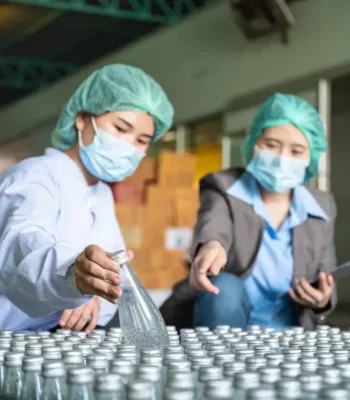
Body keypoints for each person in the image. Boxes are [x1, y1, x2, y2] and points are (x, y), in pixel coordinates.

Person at [0, 64, 173, 333]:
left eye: (142, 140)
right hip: (21, 335)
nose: (130, 146)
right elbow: (22, 246)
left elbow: (112, 276)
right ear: (82, 119)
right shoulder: (34, 175)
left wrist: (94, 289)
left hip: (75, 335)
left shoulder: (100, 192)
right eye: (120, 128)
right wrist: (73, 275)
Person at [168, 93, 336, 331]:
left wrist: (323, 299)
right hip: (227, 327)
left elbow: (326, 273)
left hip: (290, 333)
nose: (281, 159)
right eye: (271, 145)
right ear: (254, 142)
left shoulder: (322, 205)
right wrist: (211, 246)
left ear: (311, 158)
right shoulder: (223, 186)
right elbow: (213, 225)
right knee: (225, 285)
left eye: (296, 151)